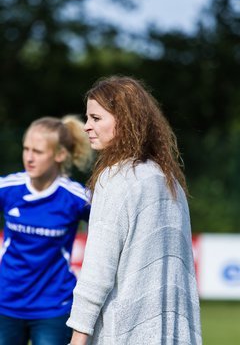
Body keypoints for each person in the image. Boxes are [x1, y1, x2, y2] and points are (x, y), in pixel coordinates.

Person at [66, 76, 202, 345]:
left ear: (123, 119)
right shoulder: (168, 179)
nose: (86, 127)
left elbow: (98, 269)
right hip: (173, 333)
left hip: (124, 332)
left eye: (96, 118)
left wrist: (78, 337)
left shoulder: (115, 179)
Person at [0, 115, 93, 345]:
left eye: (38, 152)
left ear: (60, 155)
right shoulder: (9, 188)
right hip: (6, 302)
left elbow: (115, 224)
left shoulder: (76, 197)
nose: (29, 158)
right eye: (26, 149)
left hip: (54, 307)